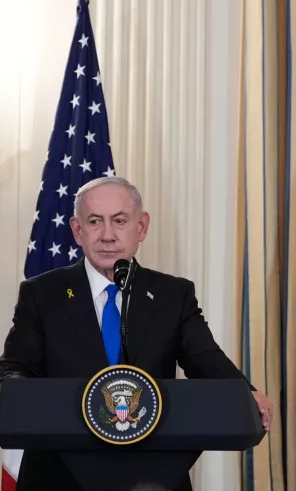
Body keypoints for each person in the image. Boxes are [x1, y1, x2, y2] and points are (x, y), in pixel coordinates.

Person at [0, 176, 273, 491]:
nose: (107, 235)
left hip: (152, 476)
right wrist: (22, 397)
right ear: (78, 230)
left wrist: (245, 391)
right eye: (94, 222)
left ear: (141, 227)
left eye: (119, 221)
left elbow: (205, 358)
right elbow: (16, 366)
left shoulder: (173, 294)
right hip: (58, 477)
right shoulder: (42, 293)